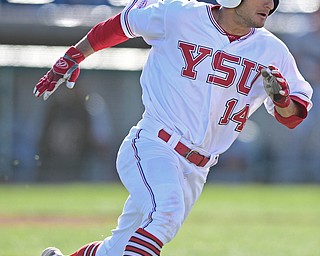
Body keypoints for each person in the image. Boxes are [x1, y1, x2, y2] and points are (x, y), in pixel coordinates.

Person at [34, 0, 313, 255]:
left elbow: (292, 116)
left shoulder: (272, 50)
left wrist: (281, 100)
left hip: (198, 168)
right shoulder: (180, 16)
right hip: (155, 144)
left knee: (118, 248)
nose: (270, 4)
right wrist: (74, 56)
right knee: (166, 213)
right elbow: (123, 24)